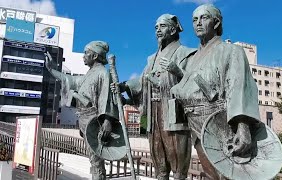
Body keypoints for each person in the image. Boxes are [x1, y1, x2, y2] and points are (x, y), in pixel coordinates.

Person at [170, 4, 261, 179]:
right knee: (211, 174)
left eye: (204, 18)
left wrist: (242, 126)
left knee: (225, 174)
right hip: (194, 123)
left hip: (219, 121)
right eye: (194, 19)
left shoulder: (231, 50)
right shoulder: (192, 58)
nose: (198, 23)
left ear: (216, 22)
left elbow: (239, 86)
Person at [114, 14, 196, 180]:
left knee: (177, 158)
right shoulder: (152, 58)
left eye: (162, 26)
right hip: (152, 112)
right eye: (156, 27)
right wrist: (124, 86)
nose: (158, 30)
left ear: (173, 30)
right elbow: (142, 80)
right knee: (158, 157)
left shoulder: (186, 54)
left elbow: (193, 82)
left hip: (173, 111)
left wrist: (177, 71)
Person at [45, 41, 118, 180]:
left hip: (95, 121)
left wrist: (107, 120)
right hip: (85, 121)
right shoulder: (89, 74)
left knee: (96, 160)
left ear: (95, 55)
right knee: (93, 159)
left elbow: (107, 98)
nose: (83, 56)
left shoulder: (103, 73)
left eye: (86, 52)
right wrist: (52, 70)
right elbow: (70, 80)